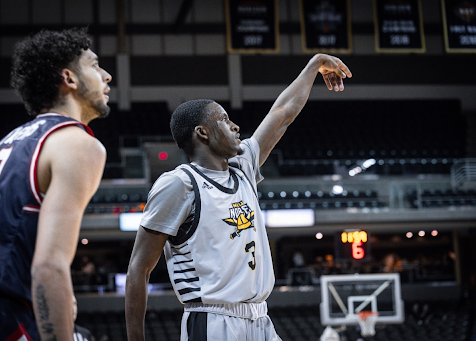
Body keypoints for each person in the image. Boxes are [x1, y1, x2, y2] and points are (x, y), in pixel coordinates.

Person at [125, 53, 351, 340]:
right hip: (213, 320)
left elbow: (282, 113)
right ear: (202, 133)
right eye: (224, 119)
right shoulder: (179, 184)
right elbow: (138, 269)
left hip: (261, 318)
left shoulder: (242, 166)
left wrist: (314, 65)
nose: (235, 127)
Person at [0, 27, 112, 340]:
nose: (107, 76)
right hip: (3, 314)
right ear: (69, 79)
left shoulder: (5, 144)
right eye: (94, 65)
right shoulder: (77, 144)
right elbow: (49, 266)